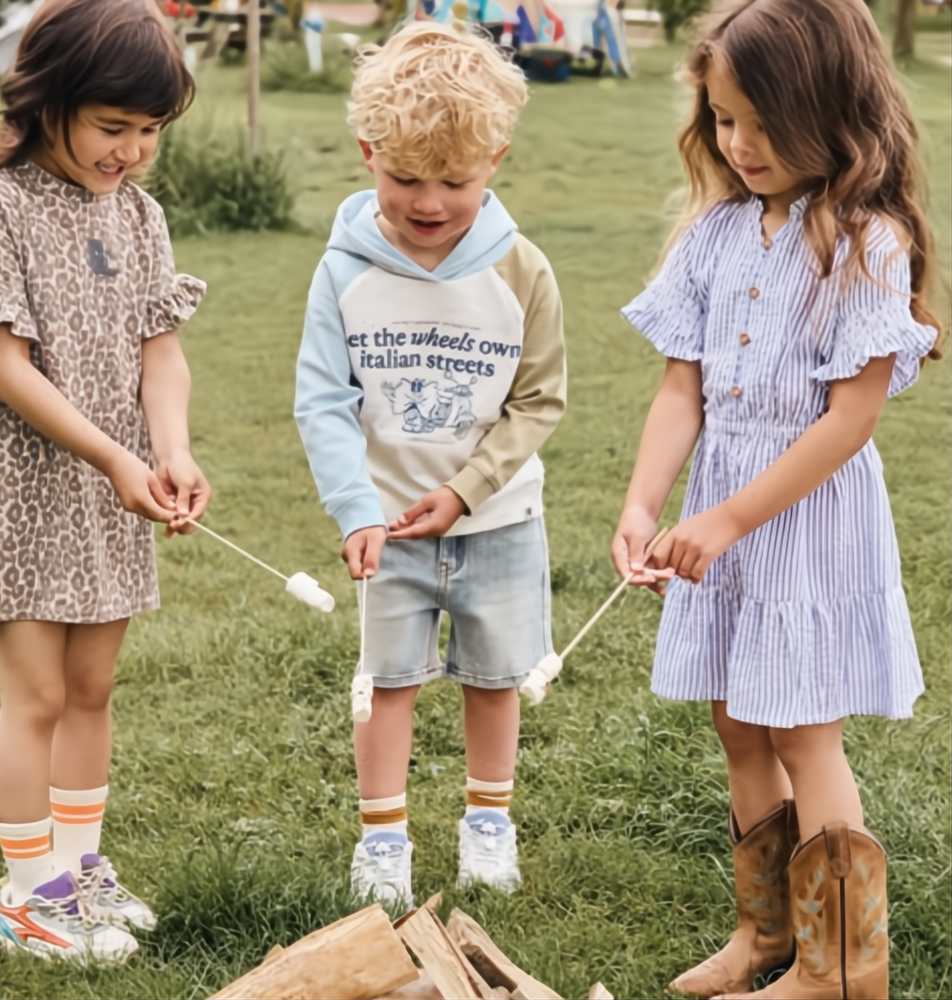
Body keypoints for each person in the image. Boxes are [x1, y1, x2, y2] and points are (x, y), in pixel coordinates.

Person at [611, 1, 941, 997]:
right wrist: (644, 503)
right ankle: (764, 934)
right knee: (736, 717)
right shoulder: (714, 234)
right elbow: (683, 387)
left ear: (828, 110)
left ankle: (841, 964)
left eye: (760, 121)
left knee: (801, 725)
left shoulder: (864, 242)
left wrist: (724, 520)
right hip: (722, 512)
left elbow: (848, 422)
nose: (738, 144)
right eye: (721, 119)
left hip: (804, 519)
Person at [0, 0, 210, 963]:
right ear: (44, 102)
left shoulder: (139, 216)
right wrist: (113, 456)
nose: (132, 151)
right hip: (23, 490)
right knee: (38, 695)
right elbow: (7, 365)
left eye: (149, 131)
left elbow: (163, 355)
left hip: (117, 489)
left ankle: (78, 867)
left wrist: (170, 449)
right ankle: (27, 896)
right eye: (113, 127)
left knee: (93, 687)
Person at [295, 21, 566, 905]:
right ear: (368, 151)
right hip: (388, 530)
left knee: (495, 680)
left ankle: (488, 824)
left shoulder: (524, 271)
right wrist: (355, 510)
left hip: (499, 521)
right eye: (405, 177)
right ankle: (383, 841)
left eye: (454, 178)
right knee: (386, 683)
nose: (429, 200)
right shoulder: (342, 273)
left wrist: (467, 489)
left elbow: (538, 402)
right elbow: (323, 400)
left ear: (497, 158)